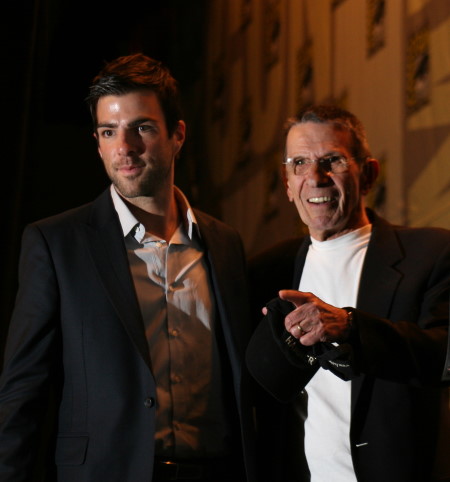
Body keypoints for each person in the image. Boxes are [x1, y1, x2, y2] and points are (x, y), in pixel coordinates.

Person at [0, 53, 257, 482]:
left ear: (177, 135)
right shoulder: (56, 243)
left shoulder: (225, 244)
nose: (124, 147)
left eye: (141, 128)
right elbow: (23, 392)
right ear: (97, 142)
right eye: (108, 131)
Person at [246, 104, 450, 482]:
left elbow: (444, 356)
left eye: (333, 161)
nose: (315, 177)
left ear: (369, 174)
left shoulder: (431, 254)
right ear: (287, 184)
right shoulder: (263, 273)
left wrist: (351, 326)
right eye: (300, 163)